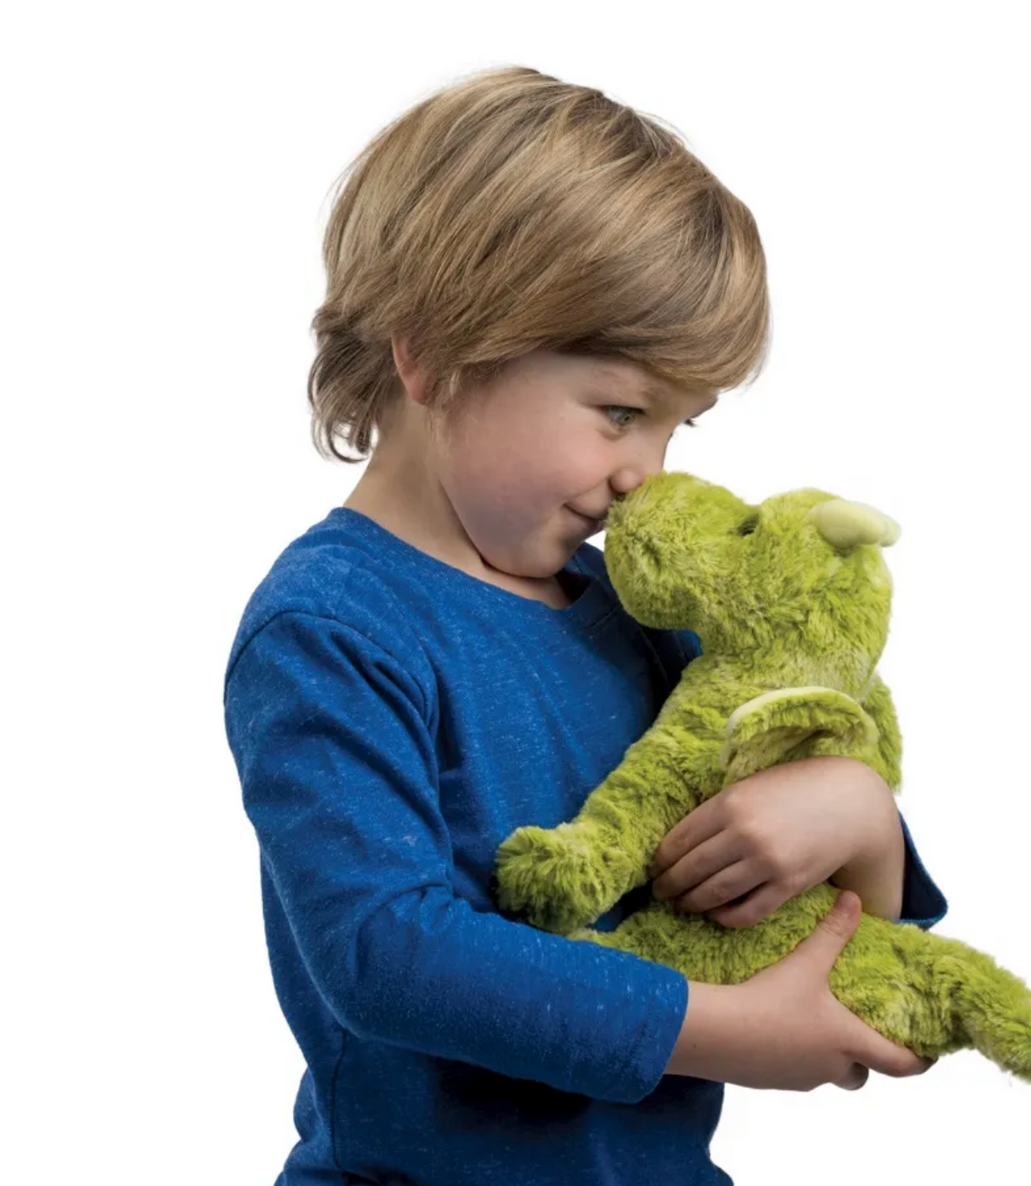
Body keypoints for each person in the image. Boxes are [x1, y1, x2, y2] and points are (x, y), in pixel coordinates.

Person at [222, 64, 950, 1186]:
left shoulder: (639, 620)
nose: (643, 477)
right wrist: (725, 1030)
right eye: (618, 411)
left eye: (675, 427)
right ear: (435, 350)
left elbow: (860, 944)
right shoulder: (330, 628)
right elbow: (384, 954)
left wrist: (857, 816)